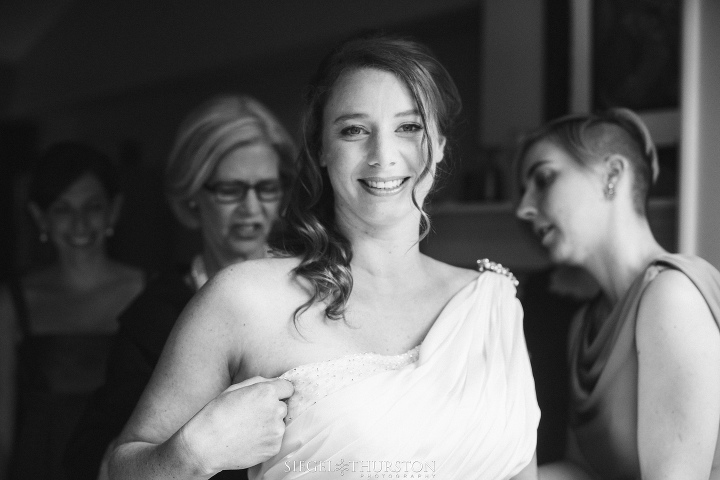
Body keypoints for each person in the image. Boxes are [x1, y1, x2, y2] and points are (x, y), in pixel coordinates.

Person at [108, 33, 540, 480]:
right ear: (320, 151)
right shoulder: (245, 299)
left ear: (441, 145)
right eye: (354, 130)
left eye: (409, 127)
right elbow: (120, 470)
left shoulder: (491, 304)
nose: (383, 155)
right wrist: (195, 452)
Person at [64, 94, 297, 480]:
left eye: (267, 188)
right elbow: (100, 461)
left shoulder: (314, 285)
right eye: (231, 189)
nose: (251, 208)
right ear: (192, 196)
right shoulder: (151, 317)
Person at [515, 108, 720, 479]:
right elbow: (583, 472)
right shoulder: (584, 325)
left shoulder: (671, 296)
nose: (525, 208)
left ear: (612, 174)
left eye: (543, 179)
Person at [0, 141, 145, 480]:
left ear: (114, 209)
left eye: (92, 206)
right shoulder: (13, 302)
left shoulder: (151, 292)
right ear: (40, 217)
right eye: (63, 209)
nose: (80, 223)